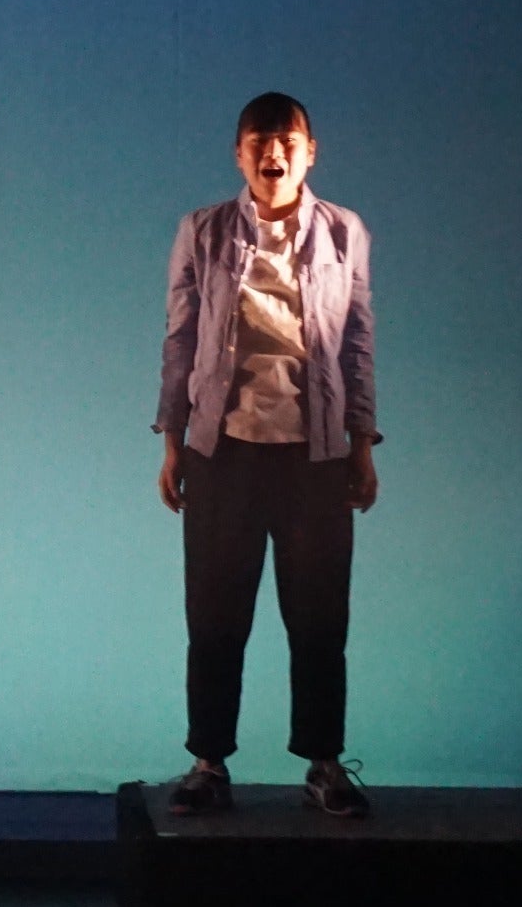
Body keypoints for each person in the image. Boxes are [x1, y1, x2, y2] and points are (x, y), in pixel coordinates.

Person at [157, 92, 378, 819]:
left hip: (315, 456)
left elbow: (357, 343)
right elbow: (181, 338)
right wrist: (173, 441)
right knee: (214, 616)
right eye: (259, 139)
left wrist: (362, 443)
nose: (273, 152)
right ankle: (207, 762)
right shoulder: (202, 231)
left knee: (320, 619)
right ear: (239, 153)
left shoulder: (344, 232)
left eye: (287, 140)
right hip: (222, 452)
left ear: (310, 152)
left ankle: (324, 764)